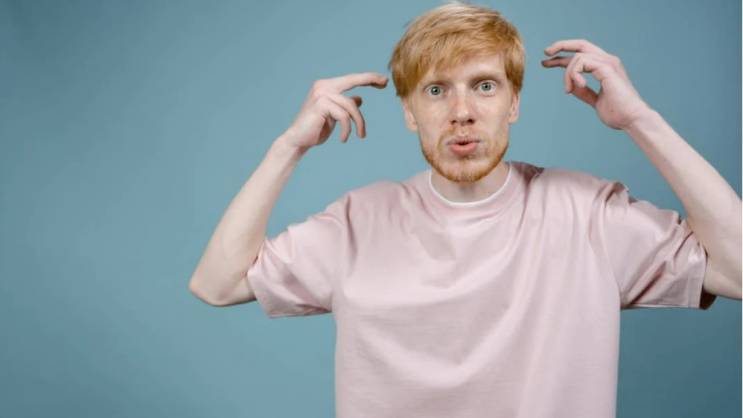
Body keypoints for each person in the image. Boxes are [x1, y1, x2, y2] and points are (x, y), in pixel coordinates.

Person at [188, 2, 741, 417]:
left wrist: (641, 121)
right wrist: (289, 147)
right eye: (436, 91)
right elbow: (217, 284)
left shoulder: (587, 213)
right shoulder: (358, 221)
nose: (462, 112)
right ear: (408, 112)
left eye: (484, 86)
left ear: (514, 102)